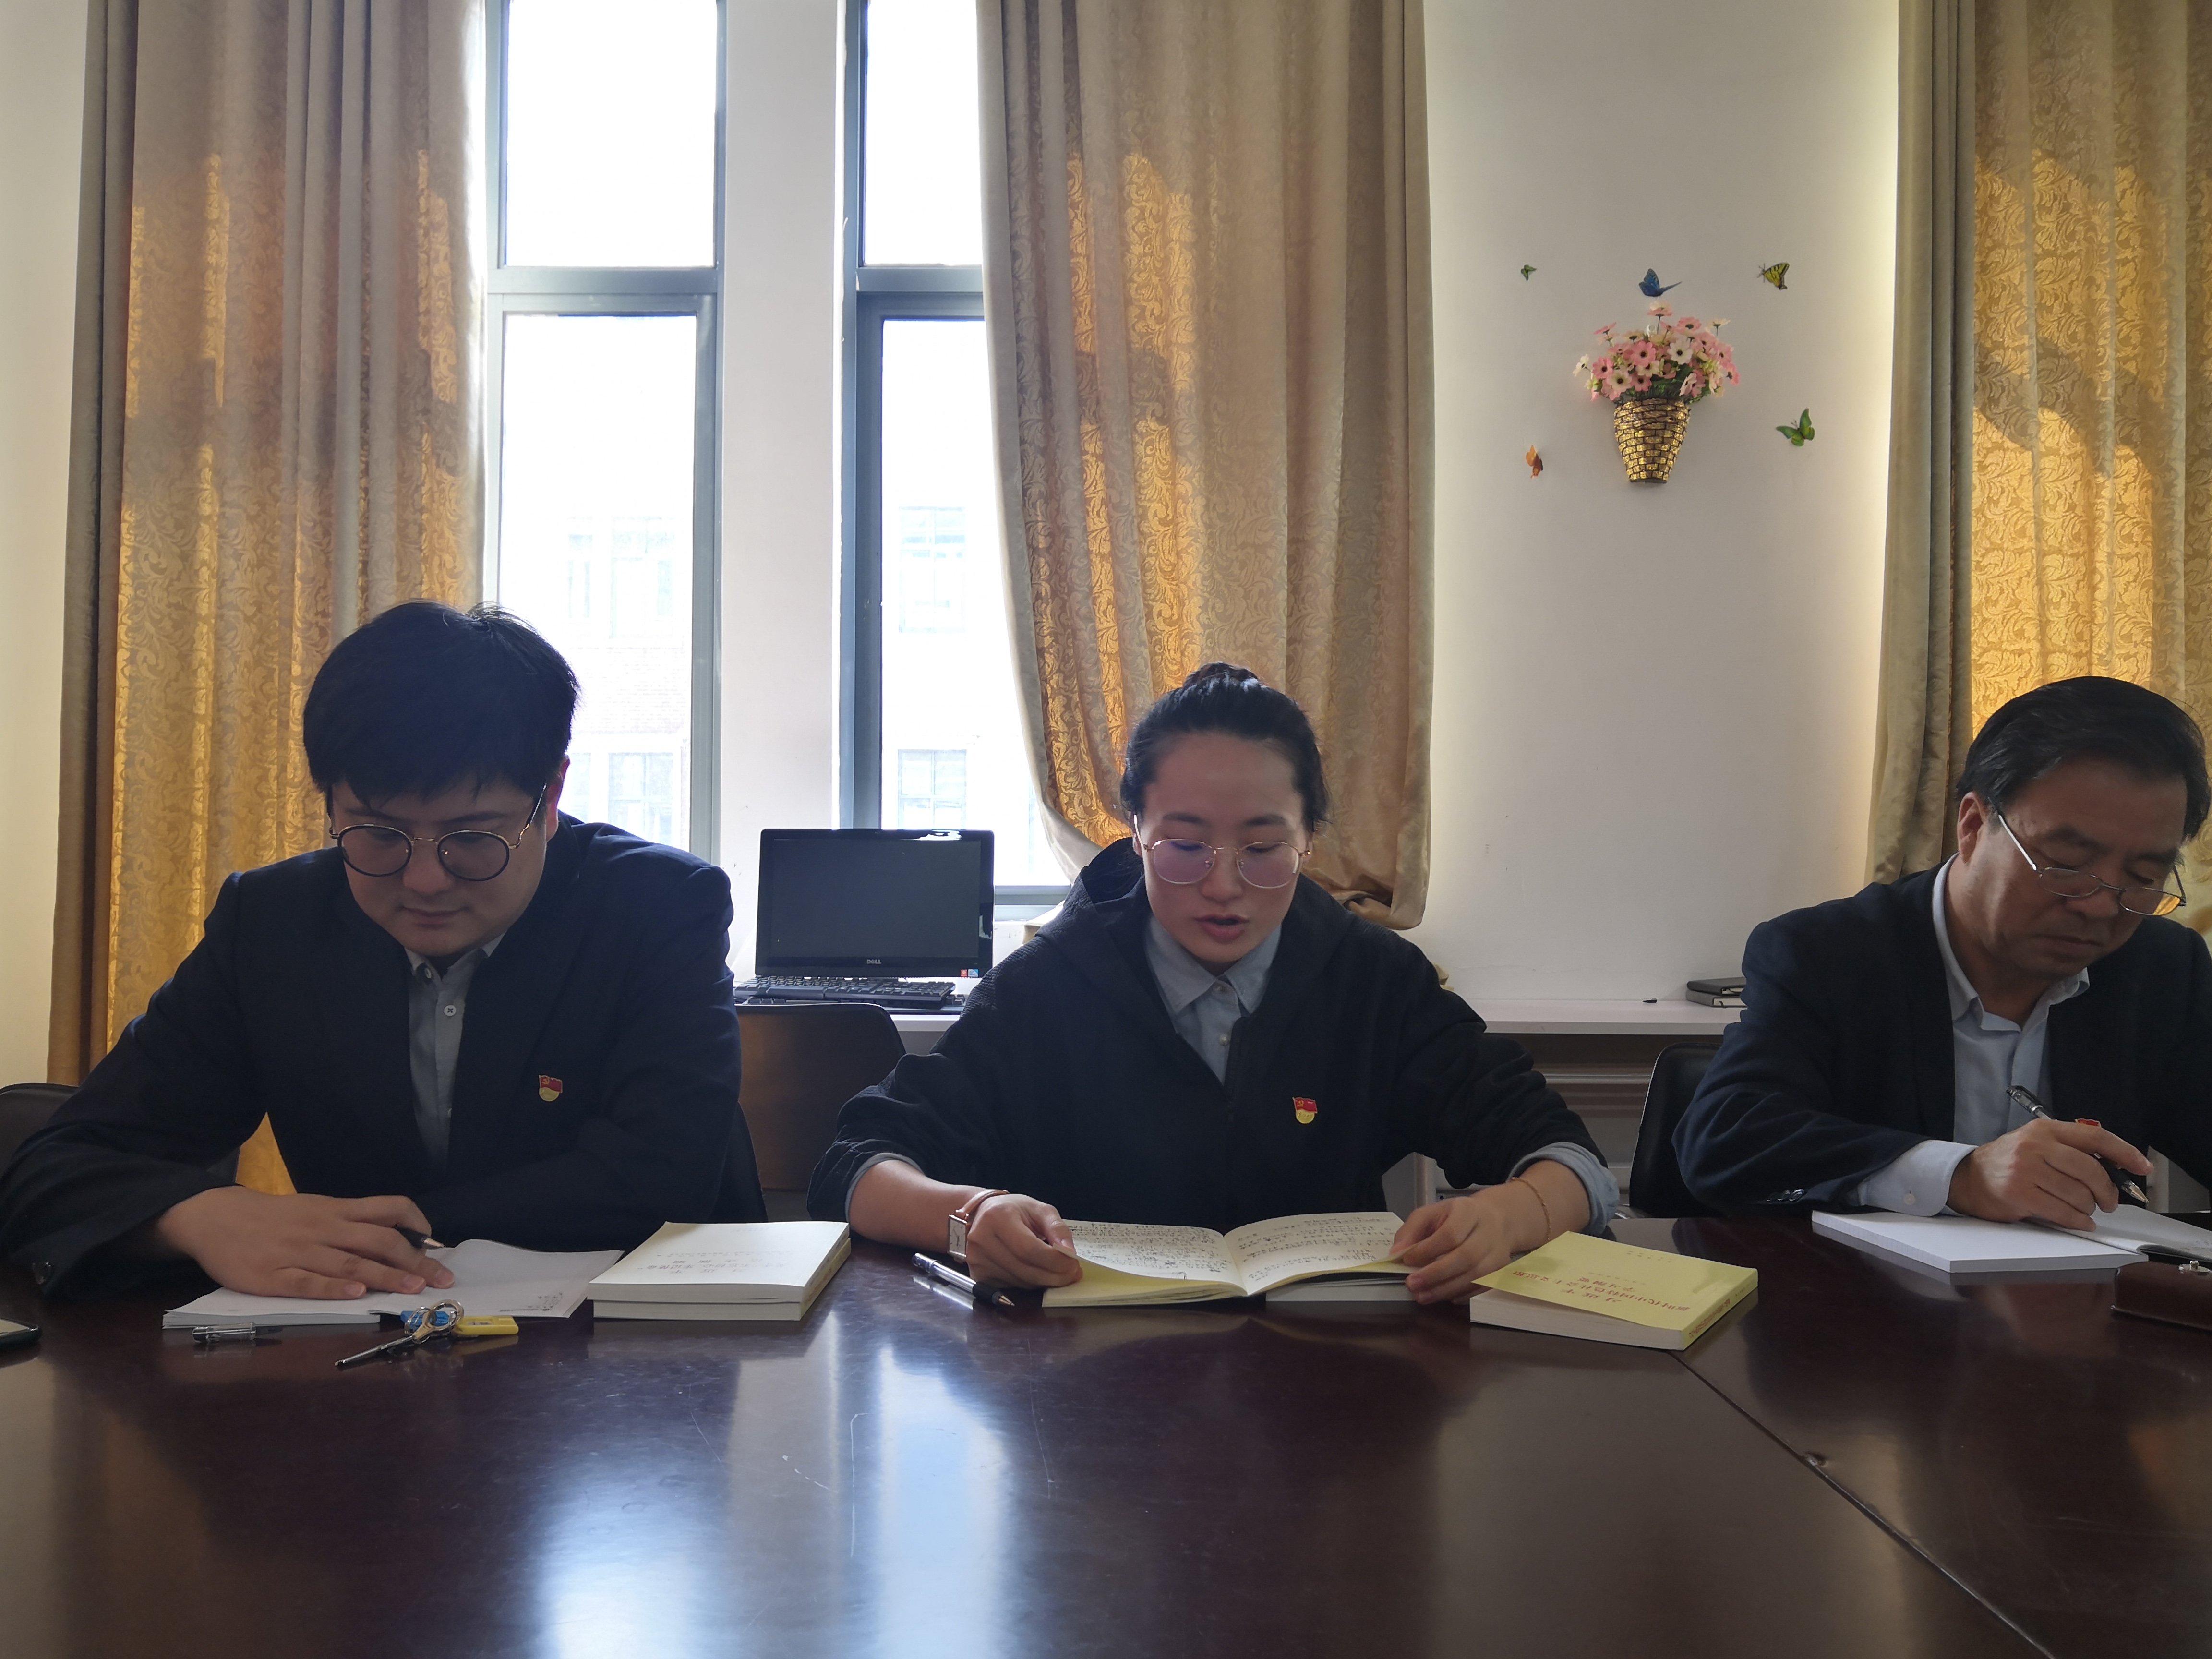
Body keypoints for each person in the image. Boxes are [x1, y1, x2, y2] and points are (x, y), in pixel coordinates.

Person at [0, 601, 760, 1300]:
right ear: (331, 801)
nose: (425, 880)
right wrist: (199, 1216)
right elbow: (57, 1166)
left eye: (472, 837)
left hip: (641, 1353)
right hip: (368, 1355)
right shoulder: (271, 924)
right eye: (377, 834)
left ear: (550, 797)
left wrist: (374, 1231)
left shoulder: (659, 906)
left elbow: (661, 1175)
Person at [807, 663, 1615, 1302]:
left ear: (1308, 839)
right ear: (1135, 833)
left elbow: (1566, 1154)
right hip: (1089, 1397)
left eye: (1262, 849)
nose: (1223, 887)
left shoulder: (1373, 982)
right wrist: (970, 1217)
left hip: (1328, 1391)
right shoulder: (1046, 986)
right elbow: (856, 1164)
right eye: (1184, 847)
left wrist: (1509, 1217)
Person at [1676, 676, 2212, 1223]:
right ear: (1974, 825)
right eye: (2067, 865)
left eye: (2142, 876)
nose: (2100, 906)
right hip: (1854, 1278)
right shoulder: (1829, 954)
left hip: (2084, 1279)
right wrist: (1958, 1175)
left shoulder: (2163, 969)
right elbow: (1728, 1138)